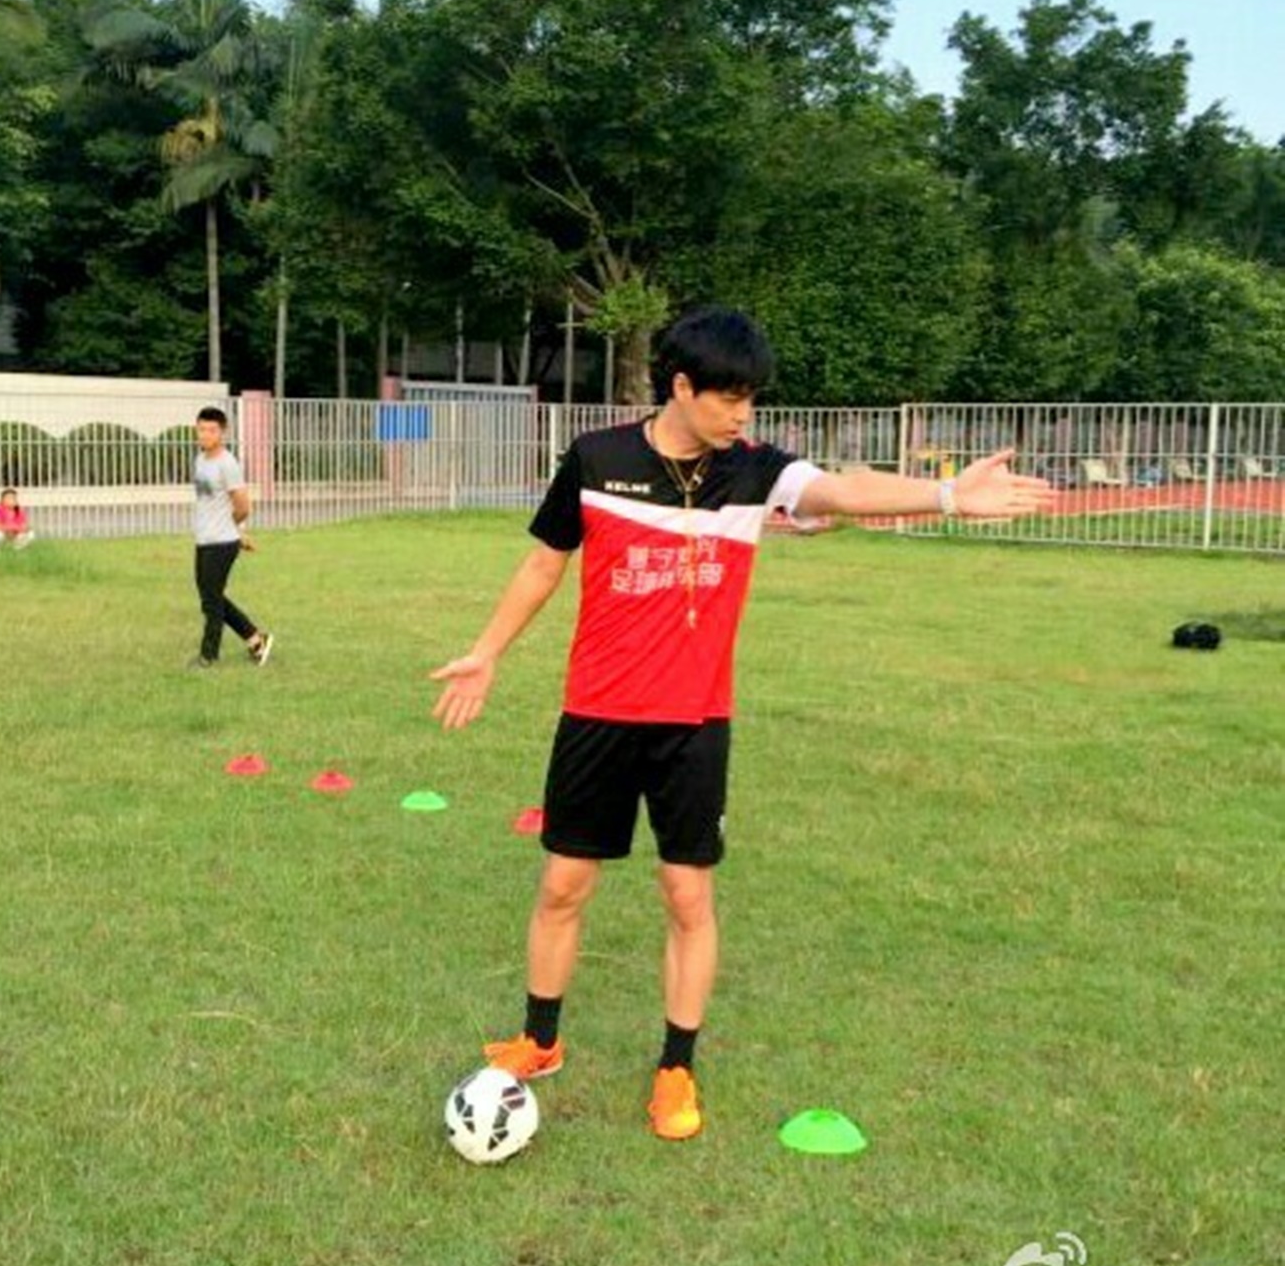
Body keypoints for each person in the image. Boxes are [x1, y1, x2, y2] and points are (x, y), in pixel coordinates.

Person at [430, 306, 1053, 1141]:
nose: (742, 414)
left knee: (687, 893)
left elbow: (841, 490)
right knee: (562, 885)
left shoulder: (755, 470)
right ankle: (538, 1041)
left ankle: (675, 1067)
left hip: (694, 722)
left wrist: (944, 494)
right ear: (682, 386)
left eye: (751, 398)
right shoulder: (596, 459)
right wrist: (486, 653)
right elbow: (545, 563)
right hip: (596, 712)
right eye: (728, 398)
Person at [191, 406, 273, 669]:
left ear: (223, 432)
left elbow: (243, 506)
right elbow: (210, 503)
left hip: (222, 543)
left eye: (212, 430)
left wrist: (233, 530)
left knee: (211, 602)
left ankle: (208, 657)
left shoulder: (228, 464)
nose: (205, 434)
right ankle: (256, 640)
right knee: (211, 597)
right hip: (204, 539)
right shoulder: (200, 460)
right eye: (201, 429)